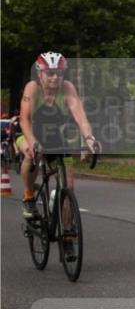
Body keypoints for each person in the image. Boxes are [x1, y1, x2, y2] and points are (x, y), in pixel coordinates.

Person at [16, 53, 100, 256]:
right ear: (40, 73)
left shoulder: (67, 88)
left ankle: (68, 235)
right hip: (29, 134)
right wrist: (33, 142)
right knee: (30, 153)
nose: (55, 78)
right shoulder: (32, 88)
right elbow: (24, 120)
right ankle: (28, 196)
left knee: (68, 186)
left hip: (56, 140)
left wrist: (89, 138)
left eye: (59, 74)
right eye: (50, 73)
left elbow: (81, 117)